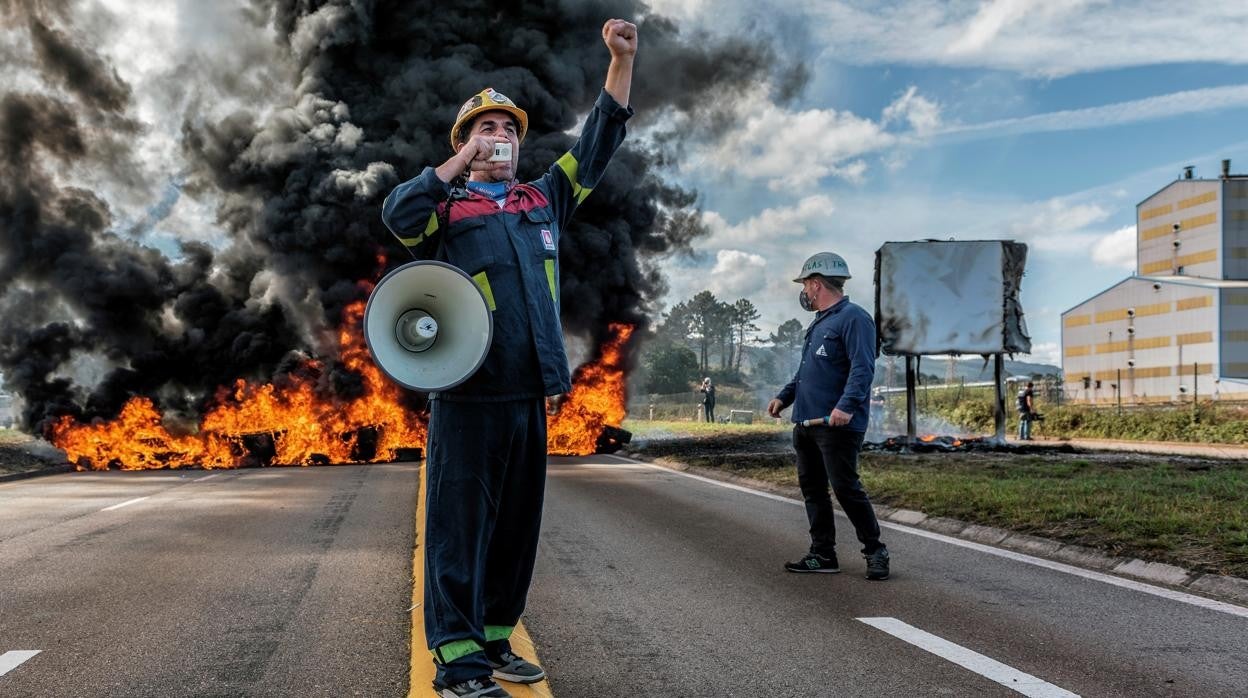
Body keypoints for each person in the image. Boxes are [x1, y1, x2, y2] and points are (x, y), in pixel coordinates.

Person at [380, 19, 637, 698]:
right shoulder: (446, 207)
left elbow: (601, 138)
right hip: (467, 397)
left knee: (516, 534)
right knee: (458, 534)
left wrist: (619, 61)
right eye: (486, 130)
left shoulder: (543, 199)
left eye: (511, 131)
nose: (502, 139)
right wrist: (459, 164)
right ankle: (459, 664)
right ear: (464, 144)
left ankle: (495, 638)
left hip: (530, 395)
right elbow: (398, 215)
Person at [767, 252, 890, 581]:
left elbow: (863, 369)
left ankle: (875, 550)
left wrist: (846, 407)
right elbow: (807, 373)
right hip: (806, 424)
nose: (804, 293)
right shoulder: (819, 323)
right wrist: (784, 396)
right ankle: (823, 554)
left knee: (845, 488)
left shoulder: (854, 319)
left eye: (806, 285)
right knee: (813, 491)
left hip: (837, 426)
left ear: (816, 283)